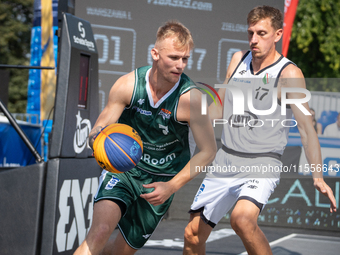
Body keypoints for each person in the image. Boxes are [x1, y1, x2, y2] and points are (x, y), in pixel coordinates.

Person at [183, 6, 337, 255]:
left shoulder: (289, 74)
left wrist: (317, 177)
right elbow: (219, 107)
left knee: (242, 220)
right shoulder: (238, 59)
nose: (254, 40)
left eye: (261, 33)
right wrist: (187, 120)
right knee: (192, 235)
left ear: (277, 35)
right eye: (250, 33)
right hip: (227, 159)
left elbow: (307, 129)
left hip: (263, 161)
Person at [74, 20, 217, 255]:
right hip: (124, 170)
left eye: (185, 59)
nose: (180, 65)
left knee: (119, 252)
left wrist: (171, 186)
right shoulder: (127, 85)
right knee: (99, 232)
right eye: (173, 57)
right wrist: (97, 139)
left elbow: (208, 151)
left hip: (160, 180)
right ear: (155, 54)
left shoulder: (192, 100)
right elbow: (98, 128)